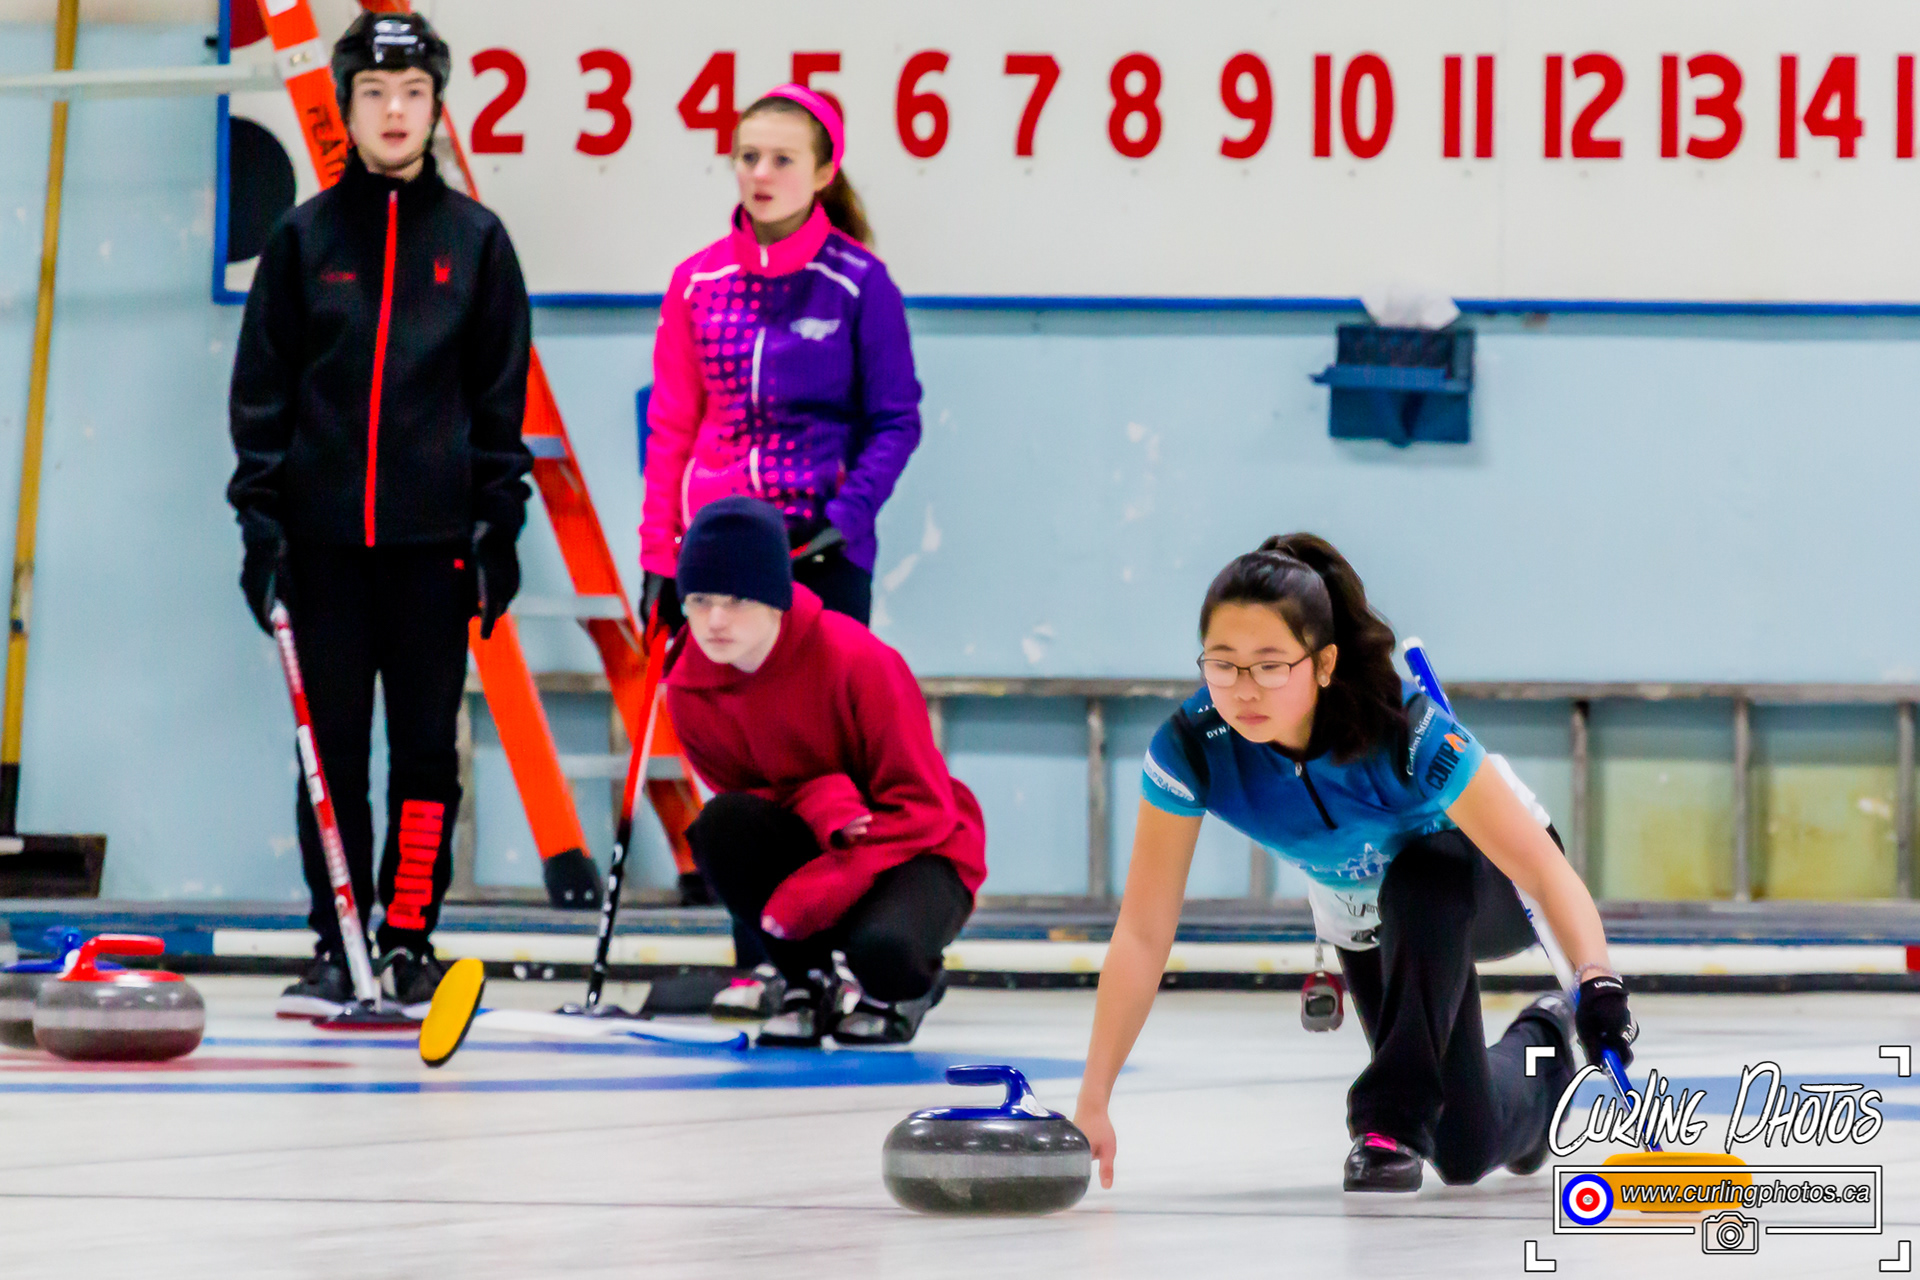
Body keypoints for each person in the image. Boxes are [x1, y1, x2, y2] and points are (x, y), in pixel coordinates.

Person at [1074, 534, 1638, 1192]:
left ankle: (1386, 1123)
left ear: (1322, 663)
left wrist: (1598, 980)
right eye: (1222, 664)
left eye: (1269, 665)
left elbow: (1544, 872)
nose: (1243, 689)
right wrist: (1093, 1099)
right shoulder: (1193, 749)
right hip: (1369, 917)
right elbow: (1143, 932)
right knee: (1463, 1148)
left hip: (1491, 887)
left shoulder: (1407, 730)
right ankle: (1543, 1052)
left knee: (1426, 869)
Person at [227, 12, 535, 1016]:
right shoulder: (304, 239)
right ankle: (339, 939)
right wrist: (261, 533)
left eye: (411, 95)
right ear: (348, 107)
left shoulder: (478, 245)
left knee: (422, 757)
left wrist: (499, 531)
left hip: (432, 552)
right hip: (319, 553)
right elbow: (262, 402)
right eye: (373, 95)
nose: (394, 112)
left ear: (437, 107)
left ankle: (407, 938)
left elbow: (499, 407)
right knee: (332, 750)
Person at [662, 498, 984, 1047]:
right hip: (820, 833)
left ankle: (901, 987)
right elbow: (749, 802)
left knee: (882, 948)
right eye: (699, 600)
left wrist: (828, 882)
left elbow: (924, 804)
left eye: (737, 599)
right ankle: (805, 981)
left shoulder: (857, 661)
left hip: (916, 841)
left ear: (775, 598)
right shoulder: (689, 690)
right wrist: (821, 802)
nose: (715, 621)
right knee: (722, 826)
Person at [639, 83, 922, 633]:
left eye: (782, 160)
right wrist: (657, 554)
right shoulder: (696, 283)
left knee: (817, 719)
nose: (760, 174)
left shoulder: (861, 283)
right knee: (714, 719)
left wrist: (846, 519)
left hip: (820, 549)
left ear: (823, 174)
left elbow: (896, 421)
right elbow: (671, 427)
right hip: (714, 543)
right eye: (749, 158)